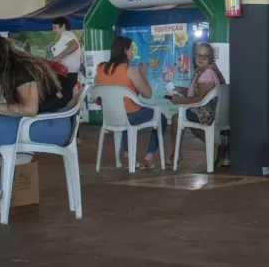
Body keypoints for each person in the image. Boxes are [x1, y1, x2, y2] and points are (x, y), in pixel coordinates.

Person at [0, 36, 74, 226]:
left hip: (48, 127)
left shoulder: (20, 70)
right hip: (47, 123)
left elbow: (29, 109)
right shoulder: (22, 64)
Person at [94, 36, 168, 170]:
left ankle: (128, 153)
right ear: (124, 50)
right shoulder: (130, 70)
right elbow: (147, 94)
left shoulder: (100, 69)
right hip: (131, 116)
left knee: (123, 114)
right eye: (131, 49)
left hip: (109, 116)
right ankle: (149, 156)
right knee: (160, 118)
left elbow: (97, 97)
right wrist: (143, 74)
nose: (132, 53)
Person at [168, 43, 227, 167]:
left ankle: (176, 154)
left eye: (205, 56)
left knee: (177, 118)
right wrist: (181, 90)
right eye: (198, 56)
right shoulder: (205, 71)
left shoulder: (206, 74)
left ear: (211, 58)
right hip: (208, 112)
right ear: (194, 57)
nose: (200, 59)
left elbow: (199, 99)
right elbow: (197, 92)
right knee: (187, 120)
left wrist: (178, 100)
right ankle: (215, 145)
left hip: (205, 114)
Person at [50, 17, 82, 89]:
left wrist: (58, 57)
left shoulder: (66, 34)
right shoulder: (64, 37)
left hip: (68, 73)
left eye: (55, 27)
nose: (53, 30)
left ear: (63, 26)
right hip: (64, 73)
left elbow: (74, 45)